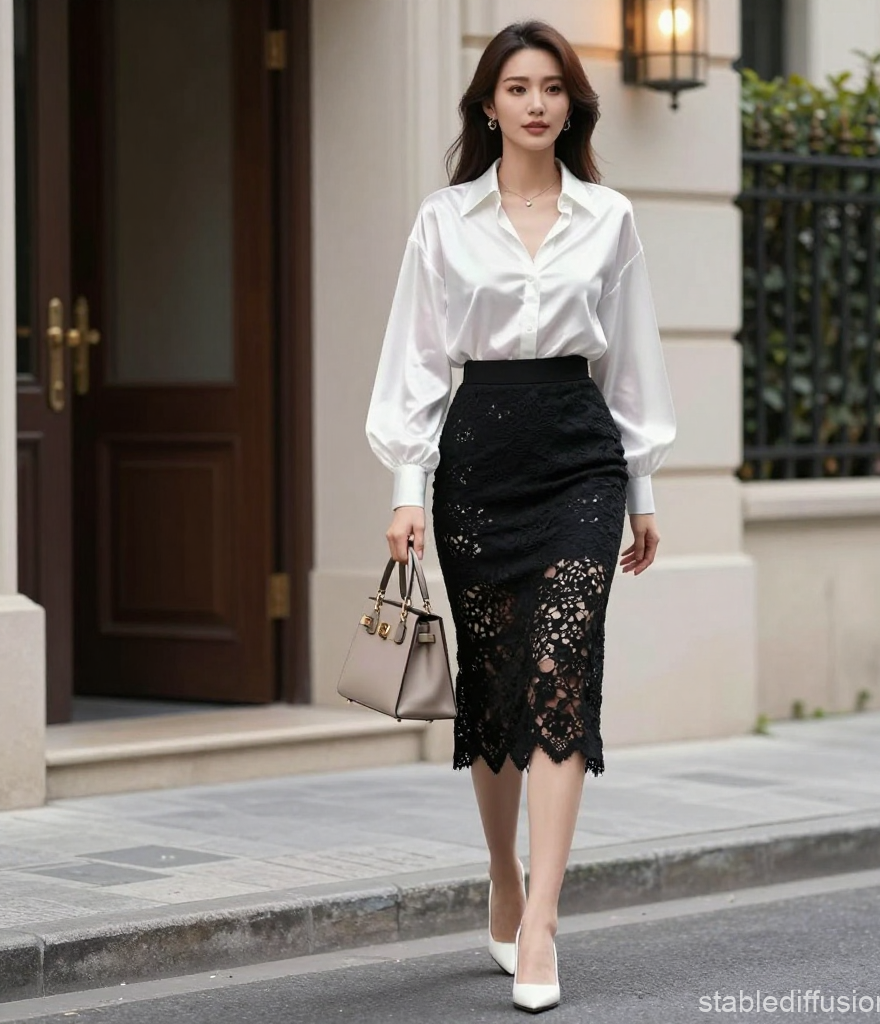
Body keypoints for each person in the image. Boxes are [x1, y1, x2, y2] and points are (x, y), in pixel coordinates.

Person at [365, 20, 676, 1013]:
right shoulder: (442, 220)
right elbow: (414, 360)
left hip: (579, 456)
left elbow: (630, 361)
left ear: (569, 104)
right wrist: (407, 490)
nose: (536, 103)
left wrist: (643, 489)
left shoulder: (609, 217)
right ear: (487, 106)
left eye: (551, 87)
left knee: (559, 668)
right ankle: (500, 868)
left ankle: (540, 913)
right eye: (516, 87)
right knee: (496, 691)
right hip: (477, 457)